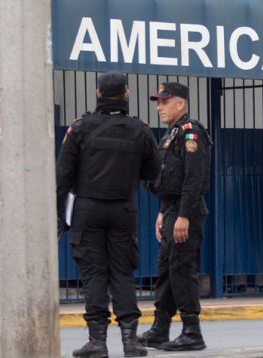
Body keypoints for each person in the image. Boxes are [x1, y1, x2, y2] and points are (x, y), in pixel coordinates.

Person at [56, 72, 160, 358]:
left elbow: (62, 176)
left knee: (94, 274)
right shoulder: (140, 130)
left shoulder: (79, 128)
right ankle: (130, 341)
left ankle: (97, 341)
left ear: (98, 94)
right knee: (122, 273)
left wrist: (58, 218)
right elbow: (154, 173)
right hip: (123, 209)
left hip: (87, 210)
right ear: (126, 96)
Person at [137, 82, 212, 352]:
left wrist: (183, 216)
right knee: (166, 271)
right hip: (171, 210)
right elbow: (168, 178)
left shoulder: (191, 133)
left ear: (180, 103)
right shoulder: (172, 135)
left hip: (185, 212)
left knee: (182, 271)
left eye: (164, 102)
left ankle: (192, 332)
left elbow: (194, 179)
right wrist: (163, 212)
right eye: (158, 102)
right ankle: (160, 329)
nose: (159, 107)